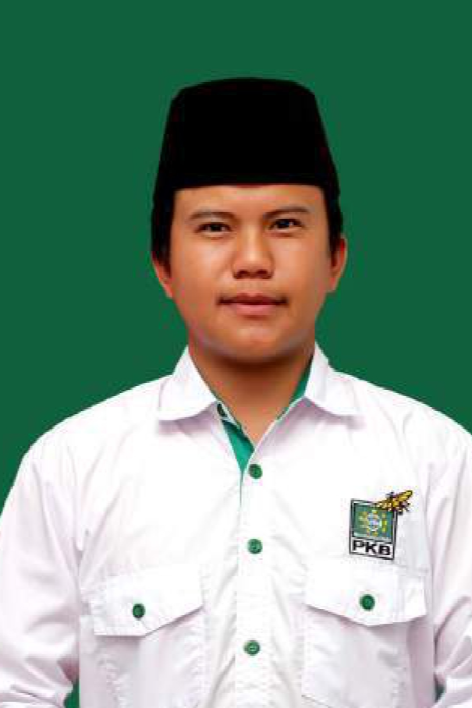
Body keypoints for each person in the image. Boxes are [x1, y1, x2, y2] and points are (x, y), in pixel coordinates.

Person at [0, 76, 471, 708]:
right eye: (216, 227)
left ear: (335, 257)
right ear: (163, 264)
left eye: (285, 224)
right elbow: (14, 686)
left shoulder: (435, 460)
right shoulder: (72, 466)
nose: (252, 259)